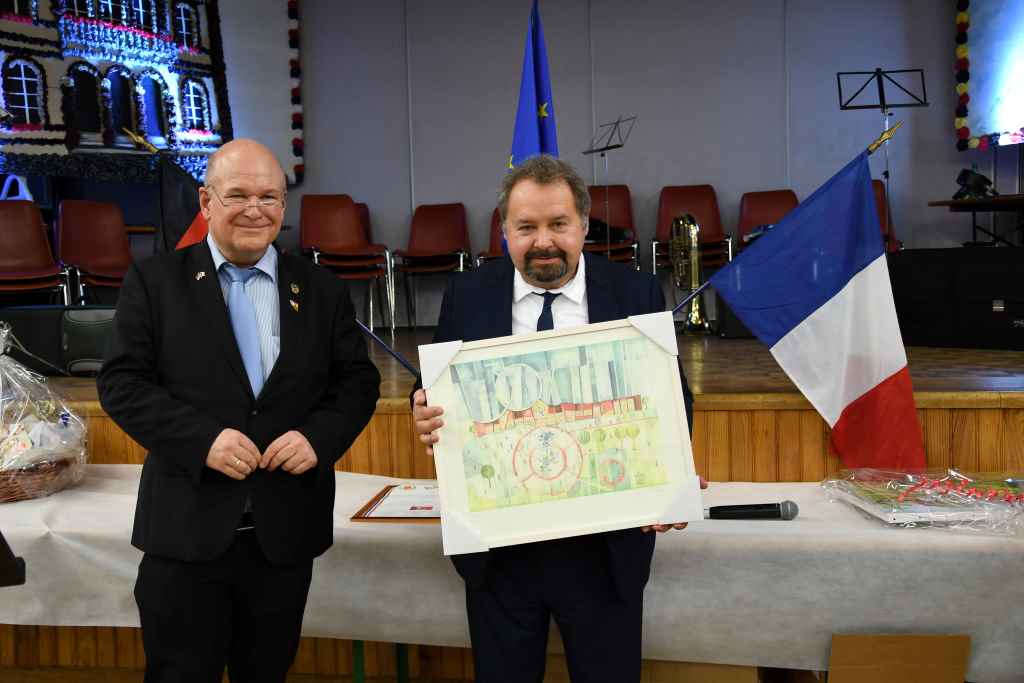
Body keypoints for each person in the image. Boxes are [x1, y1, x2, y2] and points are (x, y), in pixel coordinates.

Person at [98, 139, 381, 682]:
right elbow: (122, 383)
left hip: (283, 537)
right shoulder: (155, 283)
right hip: (185, 534)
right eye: (238, 195)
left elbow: (357, 381)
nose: (256, 209)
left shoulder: (320, 290)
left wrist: (317, 439)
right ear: (206, 202)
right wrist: (203, 440)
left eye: (269, 196)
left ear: (284, 206)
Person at [412, 154, 701, 683]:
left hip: (605, 550)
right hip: (500, 551)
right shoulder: (469, 294)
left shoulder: (635, 292)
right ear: (504, 231)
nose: (543, 241)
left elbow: (671, 400)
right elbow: (433, 388)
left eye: (558, 224)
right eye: (526, 227)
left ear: (584, 226)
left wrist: (672, 479)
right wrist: (422, 408)